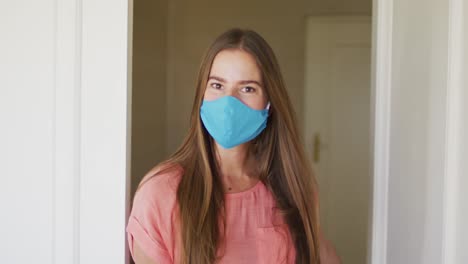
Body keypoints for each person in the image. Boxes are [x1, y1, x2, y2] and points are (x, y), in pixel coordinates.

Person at [126, 28, 341, 264]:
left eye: (247, 88)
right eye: (217, 85)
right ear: (201, 93)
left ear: (270, 102)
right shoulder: (161, 192)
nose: (229, 103)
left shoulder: (293, 187)